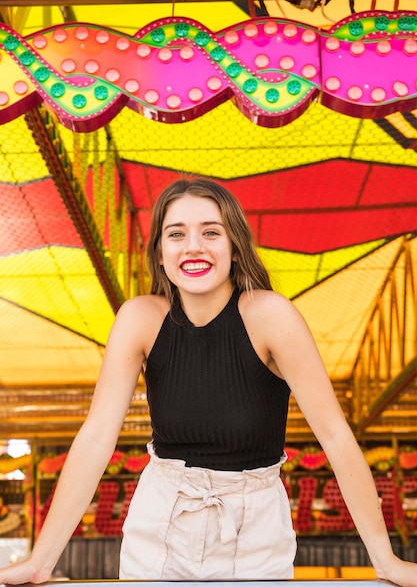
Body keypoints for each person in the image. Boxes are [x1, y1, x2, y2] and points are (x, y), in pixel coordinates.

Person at [0, 177, 416, 585]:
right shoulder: (139, 318)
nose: (193, 246)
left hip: (254, 530)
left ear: (235, 248)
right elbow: (95, 438)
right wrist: (41, 561)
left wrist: (386, 561)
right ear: (160, 254)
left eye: (211, 232)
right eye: (176, 233)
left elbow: (336, 437)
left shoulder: (271, 316)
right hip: (160, 520)